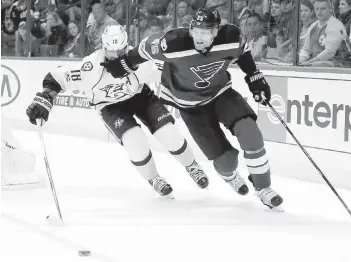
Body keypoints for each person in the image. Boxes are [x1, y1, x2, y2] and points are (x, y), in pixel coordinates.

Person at [126, 7, 284, 209]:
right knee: (227, 161)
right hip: (191, 107)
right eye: (196, 31)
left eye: (206, 32)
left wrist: (254, 77)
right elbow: (141, 50)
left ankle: (264, 188)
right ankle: (230, 175)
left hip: (221, 95)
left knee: (251, 133)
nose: (199, 37)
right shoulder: (173, 43)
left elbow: (243, 53)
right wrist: (123, 64)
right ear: (190, 29)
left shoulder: (230, 37)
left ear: (216, 31)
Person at [25, 25, 209, 197]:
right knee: (136, 142)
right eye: (112, 52)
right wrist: (45, 98)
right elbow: (56, 77)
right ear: (104, 47)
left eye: (121, 51)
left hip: (140, 97)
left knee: (169, 134)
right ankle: (154, 178)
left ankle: (192, 166)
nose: (117, 56)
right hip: (110, 106)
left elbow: (170, 72)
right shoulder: (91, 68)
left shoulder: (139, 59)